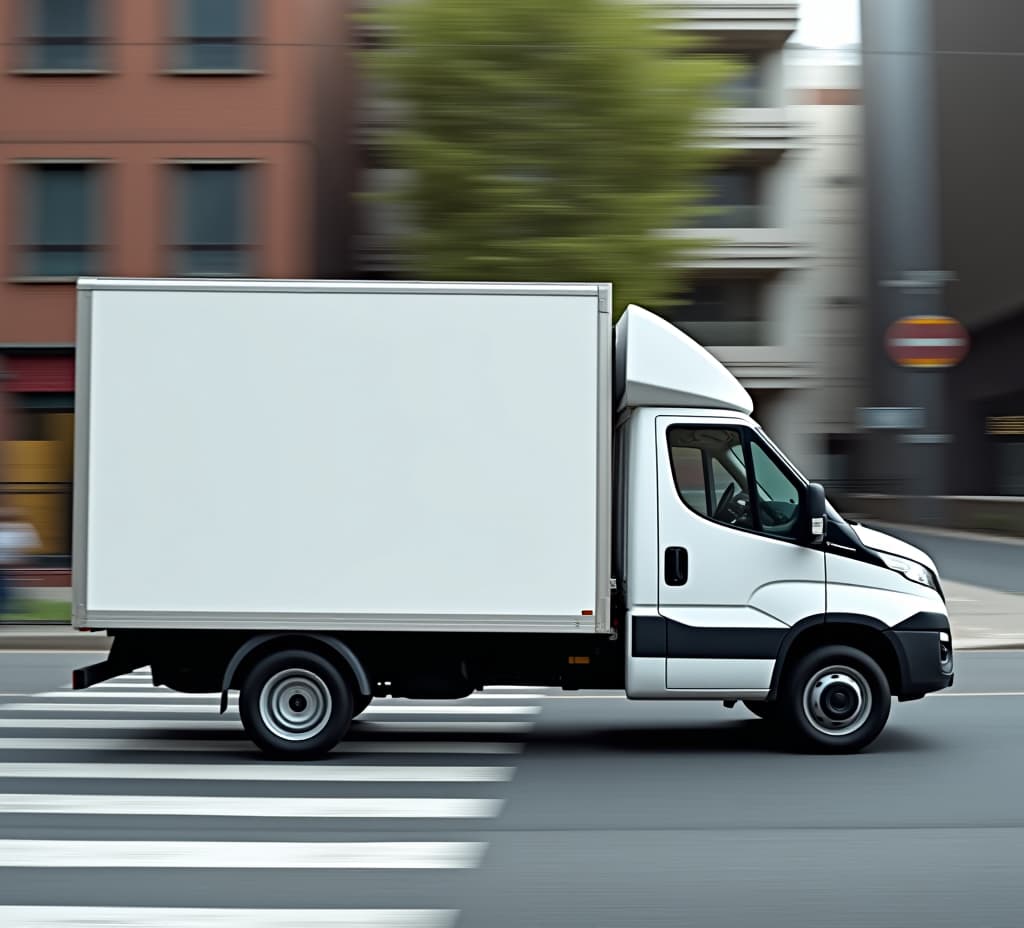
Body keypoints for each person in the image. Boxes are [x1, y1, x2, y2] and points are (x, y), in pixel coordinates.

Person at [0, 510, 40, 617]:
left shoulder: (19, 528)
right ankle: (8, 606)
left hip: (7, 563)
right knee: (6, 585)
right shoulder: (19, 528)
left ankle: (6, 607)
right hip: (7, 563)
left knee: (5, 584)